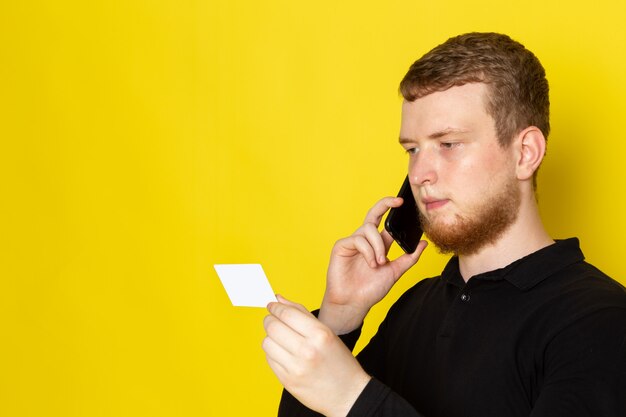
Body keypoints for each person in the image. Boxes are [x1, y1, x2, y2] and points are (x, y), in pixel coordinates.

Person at [262, 32, 626, 417]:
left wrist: (353, 398)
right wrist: (340, 319)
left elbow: (352, 404)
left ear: (525, 153)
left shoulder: (601, 321)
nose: (419, 173)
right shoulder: (415, 307)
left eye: (448, 144)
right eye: (412, 149)